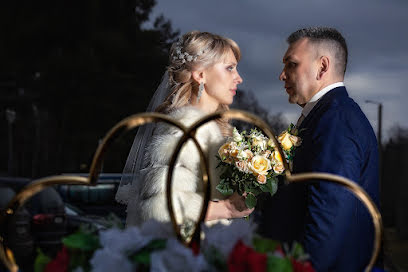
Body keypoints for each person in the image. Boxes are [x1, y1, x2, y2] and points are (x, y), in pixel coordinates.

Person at [257, 27, 380, 271]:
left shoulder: (337, 122)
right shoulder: (328, 116)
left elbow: (327, 222)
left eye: (291, 64)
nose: (282, 75)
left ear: (322, 66)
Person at [116, 31, 253, 227]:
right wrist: (227, 208)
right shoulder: (186, 127)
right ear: (200, 75)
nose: (238, 78)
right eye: (229, 68)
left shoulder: (208, 128)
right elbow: (161, 209)